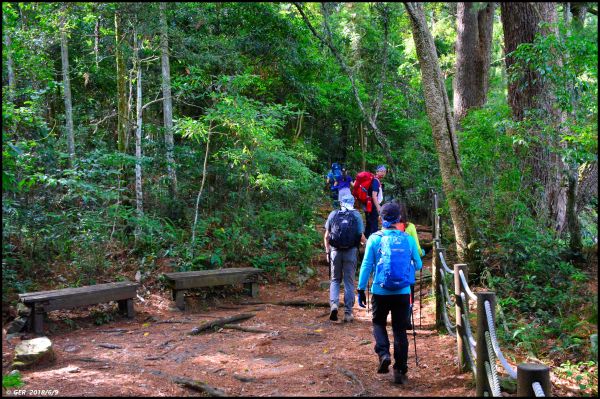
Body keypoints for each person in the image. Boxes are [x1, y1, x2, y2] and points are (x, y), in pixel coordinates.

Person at [357, 202, 422, 385]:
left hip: (380, 290)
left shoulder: (374, 239)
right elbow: (418, 264)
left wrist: (361, 289)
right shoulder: (407, 238)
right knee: (400, 330)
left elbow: (366, 265)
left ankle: (384, 353)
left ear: (381, 219)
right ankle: (400, 370)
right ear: (399, 219)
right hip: (402, 292)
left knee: (378, 323)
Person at [324, 194, 366, 323]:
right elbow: (362, 237)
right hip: (351, 251)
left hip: (335, 252)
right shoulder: (356, 216)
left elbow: (326, 236)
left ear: (341, 202)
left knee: (335, 280)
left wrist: (327, 252)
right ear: (353, 203)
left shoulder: (333, 214)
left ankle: (334, 305)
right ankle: (348, 313)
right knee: (348, 282)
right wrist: (367, 246)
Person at [364, 165, 386, 238]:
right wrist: (378, 207)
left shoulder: (375, 180)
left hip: (368, 205)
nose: (383, 173)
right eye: (381, 171)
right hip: (372, 206)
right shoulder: (375, 181)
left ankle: (365, 241)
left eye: (384, 171)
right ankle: (375, 242)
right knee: (374, 224)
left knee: (369, 224)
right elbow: (374, 195)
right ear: (377, 172)